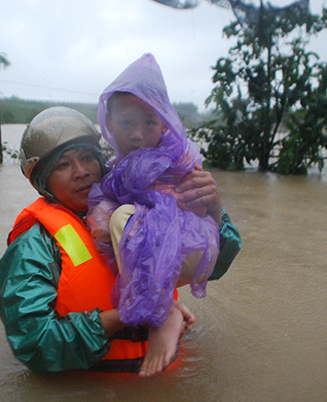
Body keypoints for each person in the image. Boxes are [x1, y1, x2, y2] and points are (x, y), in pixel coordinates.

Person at [0, 106, 241, 375]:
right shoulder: (34, 245)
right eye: (63, 165)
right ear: (41, 181)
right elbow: (36, 345)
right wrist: (134, 313)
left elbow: (209, 268)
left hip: (164, 375)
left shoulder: (134, 208)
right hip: (94, 385)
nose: (80, 172)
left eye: (87, 158)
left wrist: (213, 212)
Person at [86, 53, 237, 376]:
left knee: (122, 217)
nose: (138, 135)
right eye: (126, 122)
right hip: (124, 365)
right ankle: (163, 310)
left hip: (191, 247)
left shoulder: (180, 161)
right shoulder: (107, 172)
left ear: (165, 122)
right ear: (109, 122)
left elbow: (215, 249)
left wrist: (216, 208)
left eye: (150, 123)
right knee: (118, 216)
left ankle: (163, 311)